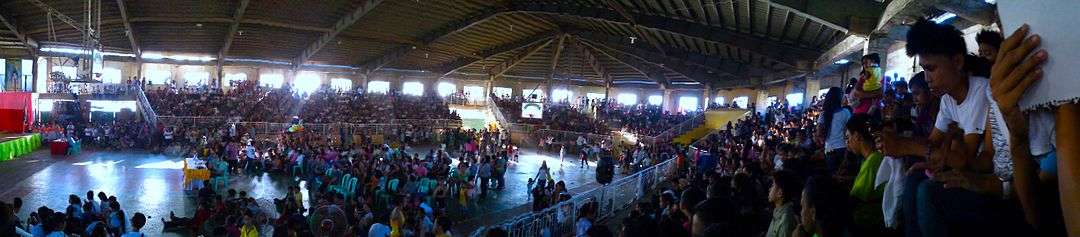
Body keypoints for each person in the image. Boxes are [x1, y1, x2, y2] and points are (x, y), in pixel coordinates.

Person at [815, 87, 851, 172]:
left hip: (829, 148)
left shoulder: (824, 114)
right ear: (839, 98)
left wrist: (823, 142)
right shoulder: (846, 112)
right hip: (843, 147)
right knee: (842, 173)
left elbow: (819, 133)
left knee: (832, 174)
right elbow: (848, 132)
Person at [765, 171, 801, 237]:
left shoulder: (785, 219)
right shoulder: (778, 210)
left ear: (780, 193)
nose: (769, 189)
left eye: (772, 185)